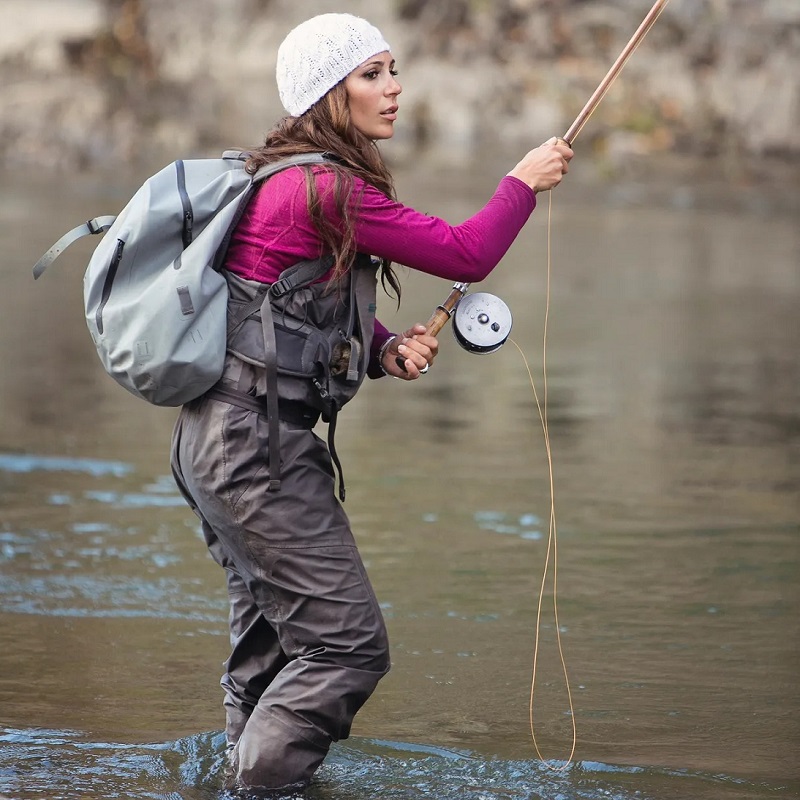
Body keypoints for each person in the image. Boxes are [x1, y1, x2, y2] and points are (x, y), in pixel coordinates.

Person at [170, 11, 573, 794]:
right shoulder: (323, 188)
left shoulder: (286, 179)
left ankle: (239, 780)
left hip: (222, 441)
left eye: (393, 70)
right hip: (256, 450)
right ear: (328, 95)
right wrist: (520, 184)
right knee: (347, 648)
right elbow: (467, 252)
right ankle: (258, 790)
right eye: (372, 74)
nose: (393, 88)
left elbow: (280, 300)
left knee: (275, 647)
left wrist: (384, 347)